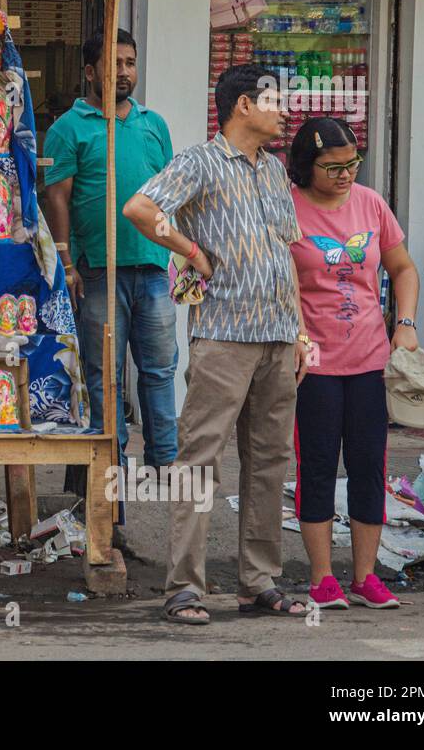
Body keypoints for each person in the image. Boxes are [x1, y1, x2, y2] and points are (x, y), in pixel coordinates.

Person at [124, 64, 310, 624]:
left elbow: (286, 253)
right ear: (243, 106)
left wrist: (301, 330)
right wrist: (192, 250)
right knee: (201, 460)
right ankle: (183, 586)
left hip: (277, 334)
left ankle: (259, 582)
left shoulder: (276, 171)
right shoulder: (201, 160)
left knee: (270, 462)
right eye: (275, 101)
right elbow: (140, 208)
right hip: (224, 335)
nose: (285, 112)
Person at [288, 117, 419, 610]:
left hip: (369, 358)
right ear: (307, 166)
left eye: (352, 164)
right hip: (313, 363)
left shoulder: (370, 204)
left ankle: (365, 575)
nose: (345, 175)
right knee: (318, 467)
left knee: (368, 466)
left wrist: (405, 321)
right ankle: (322, 578)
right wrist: (296, 336)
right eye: (333, 167)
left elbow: (402, 267)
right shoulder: (289, 209)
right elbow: (281, 283)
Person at [42, 30, 178, 477]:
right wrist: (65, 262)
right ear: (89, 72)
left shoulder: (152, 124)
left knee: (159, 371)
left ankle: (164, 465)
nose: (122, 71)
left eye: (129, 62)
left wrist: (176, 254)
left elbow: (171, 195)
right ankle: (109, 469)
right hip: (99, 271)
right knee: (105, 376)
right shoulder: (68, 127)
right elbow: (57, 197)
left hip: (154, 268)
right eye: (112, 63)